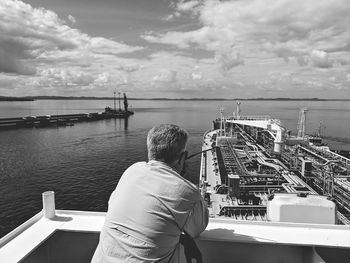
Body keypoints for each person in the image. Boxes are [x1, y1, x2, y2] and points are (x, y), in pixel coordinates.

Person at [92, 124, 209, 263]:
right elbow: (198, 227)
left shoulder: (131, 171)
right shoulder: (188, 192)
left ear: (150, 151)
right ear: (182, 157)